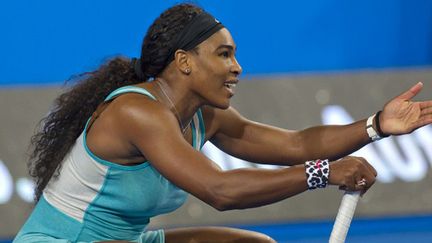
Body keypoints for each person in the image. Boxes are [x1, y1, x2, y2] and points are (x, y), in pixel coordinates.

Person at [13, 3, 432, 243]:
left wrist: (376, 125)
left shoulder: (204, 117)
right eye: (224, 54)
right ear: (184, 62)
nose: (237, 67)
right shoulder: (135, 112)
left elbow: (298, 144)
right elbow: (221, 191)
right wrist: (322, 174)